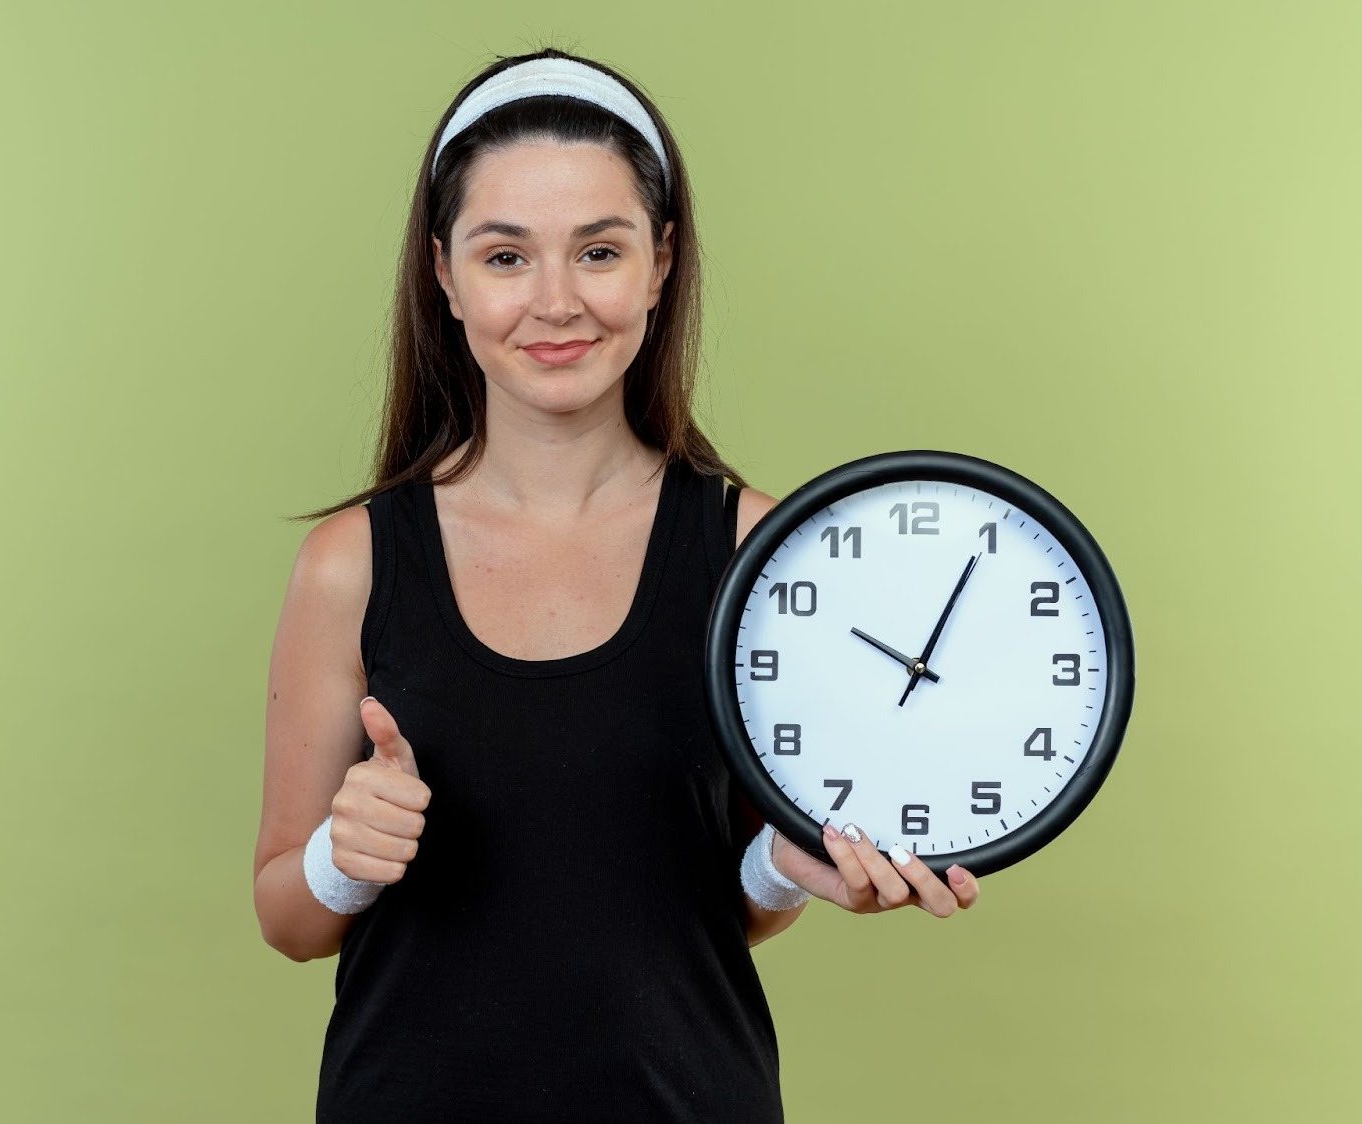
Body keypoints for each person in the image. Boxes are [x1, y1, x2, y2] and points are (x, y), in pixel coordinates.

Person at [252, 47, 981, 1122]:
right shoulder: (350, 560)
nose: (556, 301)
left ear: (660, 263)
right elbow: (286, 915)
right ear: (444, 276)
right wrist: (340, 858)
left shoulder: (762, 550)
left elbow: (727, 899)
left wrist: (783, 864)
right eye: (505, 257)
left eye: (598, 249)